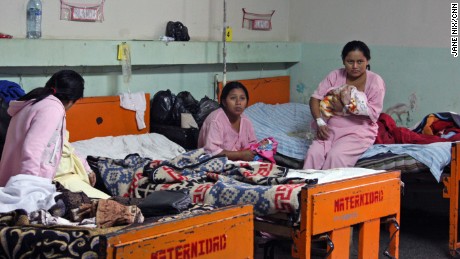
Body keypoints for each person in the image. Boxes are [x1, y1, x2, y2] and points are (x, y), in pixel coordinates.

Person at [303, 40, 386, 170]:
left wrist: (344, 108)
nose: (355, 66)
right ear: (343, 61)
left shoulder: (375, 81)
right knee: (313, 154)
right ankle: (307, 188)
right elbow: (315, 98)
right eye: (350, 61)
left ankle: (328, 189)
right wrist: (319, 122)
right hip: (330, 129)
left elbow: (374, 113)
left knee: (336, 156)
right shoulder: (335, 75)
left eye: (360, 62)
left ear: (367, 61)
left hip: (358, 132)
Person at [0, 70, 85, 187]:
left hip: (11, 180)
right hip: (26, 185)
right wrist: (30, 187)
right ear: (71, 101)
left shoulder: (33, 103)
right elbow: (32, 149)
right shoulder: (52, 109)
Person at [198, 81, 258, 161]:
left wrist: (261, 146)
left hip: (238, 162)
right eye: (233, 98)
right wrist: (240, 155)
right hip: (213, 162)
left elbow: (252, 145)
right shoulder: (216, 120)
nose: (238, 103)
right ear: (224, 102)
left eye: (242, 98)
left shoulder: (246, 122)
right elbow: (211, 152)